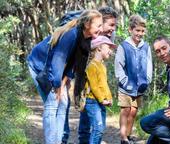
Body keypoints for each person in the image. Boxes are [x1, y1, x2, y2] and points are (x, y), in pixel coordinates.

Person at [27, 10, 103, 144]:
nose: (101, 29)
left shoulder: (85, 39)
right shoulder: (71, 35)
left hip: (56, 70)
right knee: (52, 104)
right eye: (98, 25)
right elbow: (58, 61)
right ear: (87, 24)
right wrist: (57, 86)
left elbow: (73, 63)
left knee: (64, 102)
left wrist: (63, 84)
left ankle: (58, 140)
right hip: (39, 65)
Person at [77, 6, 118, 144]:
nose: (113, 29)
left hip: (98, 95)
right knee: (86, 124)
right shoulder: (87, 34)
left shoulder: (107, 39)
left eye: (115, 25)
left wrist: (107, 97)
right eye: (111, 25)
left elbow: (103, 82)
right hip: (87, 89)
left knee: (98, 126)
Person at [115, 14, 153, 144]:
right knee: (125, 110)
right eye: (137, 30)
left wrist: (147, 80)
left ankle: (129, 134)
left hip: (140, 86)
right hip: (126, 86)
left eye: (142, 31)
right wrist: (124, 81)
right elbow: (119, 66)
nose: (140, 33)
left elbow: (149, 64)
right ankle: (123, 138)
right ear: (130, 30)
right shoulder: (124, 46)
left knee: (133, 111)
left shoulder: (146, 46)